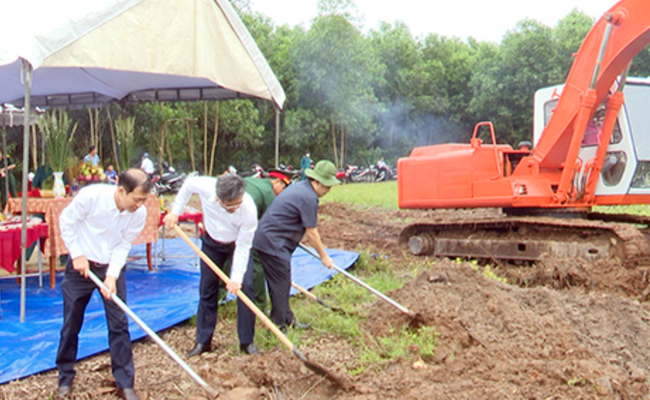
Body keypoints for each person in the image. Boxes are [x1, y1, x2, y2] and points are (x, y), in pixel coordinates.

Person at [56, 169, 152, 400]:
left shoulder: (138, 213)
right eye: (136, 199)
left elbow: (124, 243)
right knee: (71, 323)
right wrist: (77, 254)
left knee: (119, 323)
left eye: (143, 200)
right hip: (82, 265)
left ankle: (125, 382)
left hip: (111, 266)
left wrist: (111, 275)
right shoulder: (92, 197)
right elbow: (66, 222)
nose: (139, 205)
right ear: (121, 190)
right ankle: (65, 378)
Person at [163, 173, 258, 357]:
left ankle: (247, 343)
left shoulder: (248, 209)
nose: (235, 208)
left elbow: (244, 245)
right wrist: (176, 212)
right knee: (207, 289)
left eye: (237, 204)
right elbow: (188, 184)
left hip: (235, 245)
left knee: (246, 288)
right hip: (212, 243)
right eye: (231, 206)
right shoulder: (207, 187)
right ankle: (203, 341)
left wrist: (236, 279)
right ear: (219, 199)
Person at [253, 160, 340, 333]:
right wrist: (324, 256)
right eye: (327, 186)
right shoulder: (309, 197)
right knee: (280, 285)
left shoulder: (300, 188)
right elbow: (312, 232)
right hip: (273, 243)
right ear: (316, 182)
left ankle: (287, 318)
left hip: (271, 239)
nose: (328, 190)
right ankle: (278, 327)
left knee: (282, 283)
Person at [231, 170, 291, 352]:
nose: (282, 192)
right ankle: (259, 303)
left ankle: (221, 293)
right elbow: (269, 223)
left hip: (227, 221)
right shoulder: (269, 194)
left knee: (226, 261)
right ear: (277, 183)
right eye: (284, 188)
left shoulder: (252, 181)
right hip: (238, 220)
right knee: (256, 261)